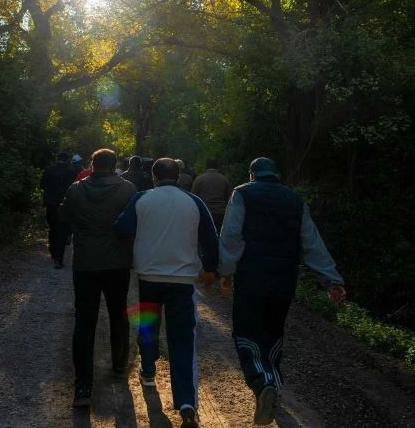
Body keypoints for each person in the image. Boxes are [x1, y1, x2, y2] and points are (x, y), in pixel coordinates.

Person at [218, 157, 346, 425]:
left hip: (252, 277)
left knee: (246, 330)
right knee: (273, 330)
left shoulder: (242, 193)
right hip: (284, 279)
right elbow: (311, 243)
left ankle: (260, 381)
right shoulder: (295, 200)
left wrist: (226, 271)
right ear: (275, 175)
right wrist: (332, 280)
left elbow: (231, 235)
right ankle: (273, 382)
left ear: (252, 174)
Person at [114, 158, 219, 428]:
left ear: (154, 177)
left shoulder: (141, 199)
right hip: (183, 281)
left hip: (149, 275)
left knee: (148, 326)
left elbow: (121, 228)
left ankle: (148, 371)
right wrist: (210, 269)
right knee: (182, 338)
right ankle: (185, 403)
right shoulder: (194, 202)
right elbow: (210, 238)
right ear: (180, 176)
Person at [58, 149, 138, 408]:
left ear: (92, 165)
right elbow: (133, 223)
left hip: (85, 265)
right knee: (118, 313)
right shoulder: (127, 190)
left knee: (84, 321)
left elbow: (63, 219)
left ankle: (83, 387)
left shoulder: (75, 190)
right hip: (117, 264)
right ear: (114, 165)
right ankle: (118, 364)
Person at [40, 152, 77, 268]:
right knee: (62, 230)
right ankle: (59, 258)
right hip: (65, 205)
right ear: (67, 160)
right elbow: (74, 188)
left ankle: (52, 252)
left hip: (51, 204)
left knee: (53, 228)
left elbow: (42, 185)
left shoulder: (48, 170)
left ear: (57, 158)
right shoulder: (71, 171)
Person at [191, 159, 232, 230]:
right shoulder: (224, 179)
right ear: (217, 166)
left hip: (204, 212)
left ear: (206, 166)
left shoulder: (199, 179)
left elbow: (193, 197)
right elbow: (229, 198)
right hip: (221, 213)